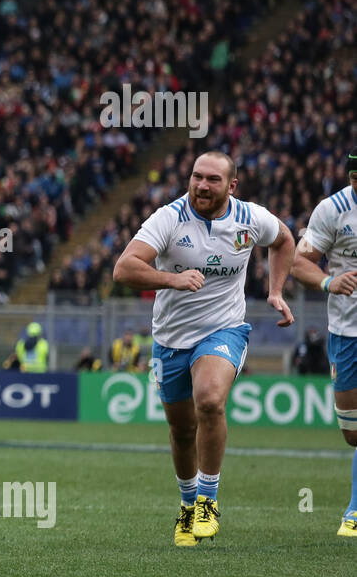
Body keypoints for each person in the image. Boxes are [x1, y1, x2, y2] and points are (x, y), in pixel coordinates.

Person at [113, 151, 294, 547]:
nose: (201, 185)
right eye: (197, 176)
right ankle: (188, 504)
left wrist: (276, 290)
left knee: (210, 401)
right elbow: (124, 268)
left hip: (224, 329)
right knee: (181, 430)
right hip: (171, 338)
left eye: (212, 179)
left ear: (231, 186)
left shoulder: (250, 218)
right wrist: (170, 279)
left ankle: (209, 501)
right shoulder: (169, 218)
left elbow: (283, 240)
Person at [290, 151, 357, 536]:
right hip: (347, 332)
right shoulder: (332, 210)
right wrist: (329, 282)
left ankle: (353, 510)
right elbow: (301, 263)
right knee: (352, 433)